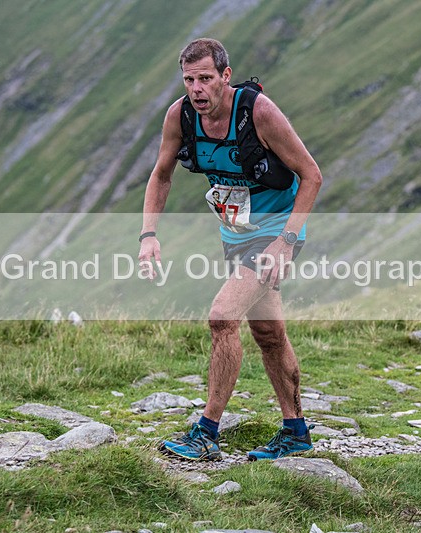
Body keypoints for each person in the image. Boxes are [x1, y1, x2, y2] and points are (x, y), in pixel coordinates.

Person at [138, 38, 323, 461]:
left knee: (223, 317)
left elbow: (312, 175)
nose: (197, 89)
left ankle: (206, 432)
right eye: (189, 80)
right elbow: (162, 175)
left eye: (206, 78)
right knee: (269, 334)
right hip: (237, 234)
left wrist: (285, 242)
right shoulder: (180, 116)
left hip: (278, 233)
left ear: (225, 75)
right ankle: (295, 431)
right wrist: (149, 235)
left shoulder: (259, 112)